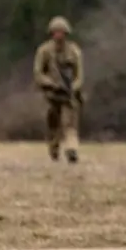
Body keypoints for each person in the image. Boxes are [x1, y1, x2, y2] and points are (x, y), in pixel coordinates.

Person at [33, 16, 84, 163]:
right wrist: (52, 84)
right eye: (56, 32)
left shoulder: (74, 51)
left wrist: (72, 88)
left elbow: (79, 76)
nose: (59, 35)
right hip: (51, 95)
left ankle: (71, 149)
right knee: (53, 125)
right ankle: (54, 149)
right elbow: (38, 73)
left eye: (61, 32)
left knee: (70, 125)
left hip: (68, 95)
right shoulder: (44, 51)